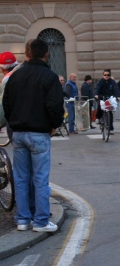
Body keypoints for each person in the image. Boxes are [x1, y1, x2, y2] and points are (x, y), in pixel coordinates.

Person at [3, 39, 64, 232]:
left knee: (21, 178)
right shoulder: (50, 77)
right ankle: (41, 221)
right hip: (39, 132)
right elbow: (55, 106)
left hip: (19, 132)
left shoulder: (15, 76)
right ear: (46, 55)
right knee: (40, 178)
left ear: (27, 55)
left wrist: (14, 122)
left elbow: (6, 104)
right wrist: (54, 125)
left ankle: (23, 219)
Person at [94, 69, 120, 135]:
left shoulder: (112, 82)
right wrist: (96, 94)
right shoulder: (100, 81)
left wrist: (118, 96)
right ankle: (98, 117)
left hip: (109, 98)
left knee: (110, 113)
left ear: (110, 75)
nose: (106, 76)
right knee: (99, 106)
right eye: (105, 75)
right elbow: (97, 88)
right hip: (101, 97)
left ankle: (110, 129)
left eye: (108, 75)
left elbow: (116, 89)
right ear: (103, 75)